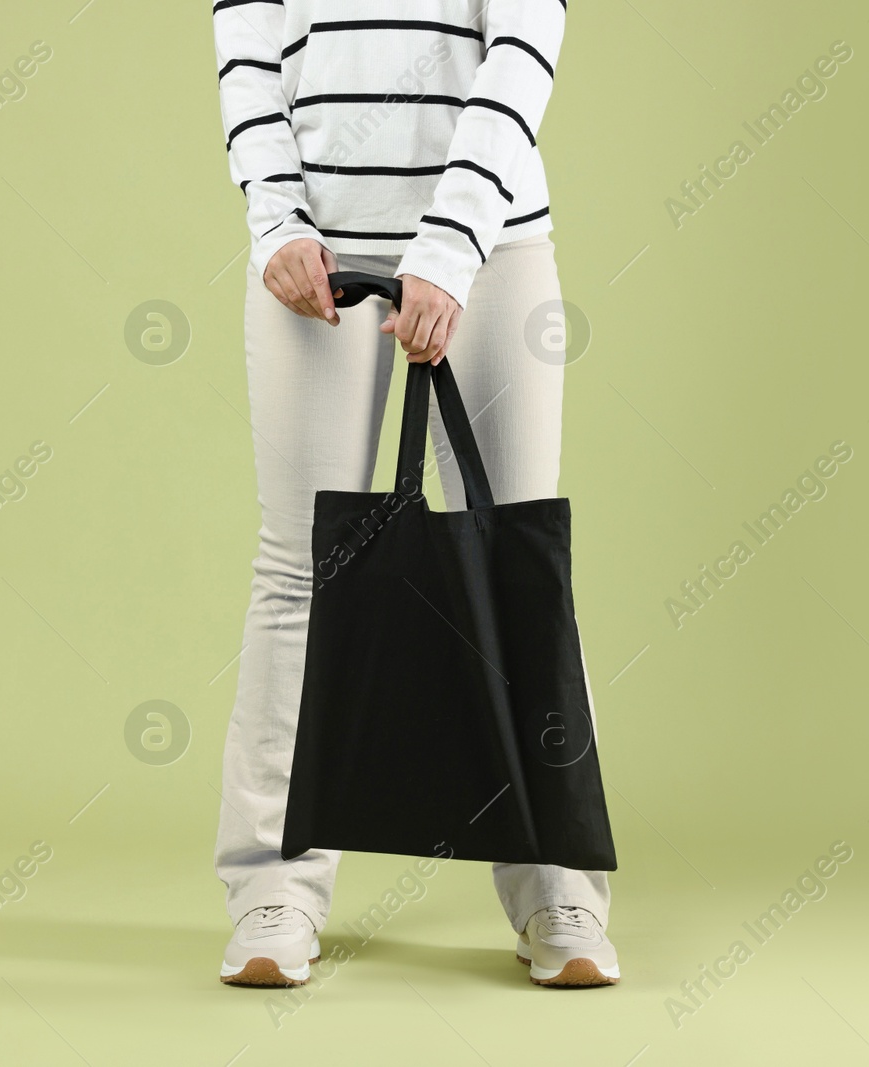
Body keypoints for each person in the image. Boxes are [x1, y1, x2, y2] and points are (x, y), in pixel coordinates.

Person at [211, 0, 615, 989]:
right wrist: (274, 221)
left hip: (496, 249)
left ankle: (556, 885)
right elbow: (248, 56)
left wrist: (447, 244)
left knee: (517, 566)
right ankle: (275, 888)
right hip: (312, 265)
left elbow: (523, 42)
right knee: (300, 574)